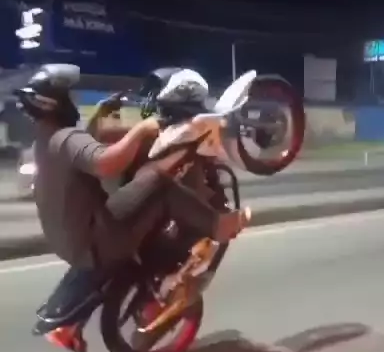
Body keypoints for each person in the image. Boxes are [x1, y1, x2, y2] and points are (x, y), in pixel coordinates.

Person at [15, 63, 248, 271]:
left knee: (142, 178)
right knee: (158, 182)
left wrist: (100, 112)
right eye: (70, 96)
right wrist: (141, 130)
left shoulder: (46, 140)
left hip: (70, 244)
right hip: (97, 243)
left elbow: (83, 146)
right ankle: (218, 225)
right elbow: (105, 164)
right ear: (55, 103)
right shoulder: (66, 138)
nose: (73, 101)